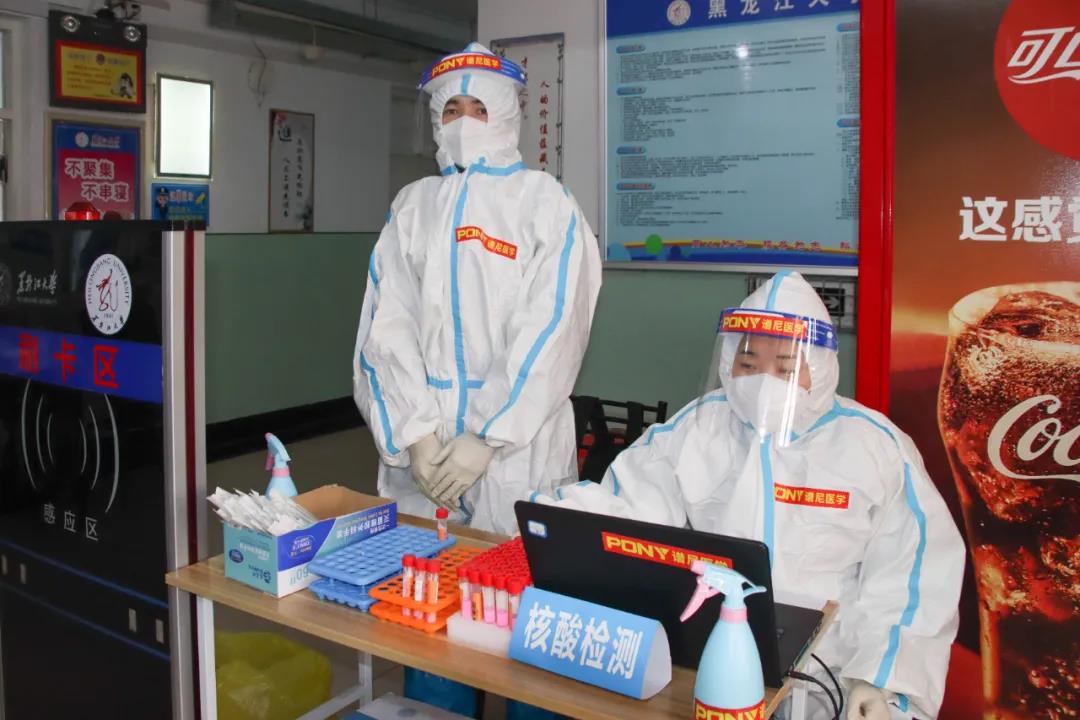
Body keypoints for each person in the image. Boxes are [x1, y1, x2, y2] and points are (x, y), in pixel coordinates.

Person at [534, 271, 964, 720]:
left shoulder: (873, 446)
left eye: (784, 367)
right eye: (749, 363)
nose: (763, 382)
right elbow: (630, 506)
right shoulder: (700, 426)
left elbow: (914, 573)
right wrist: (557, 518)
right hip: (713, 650)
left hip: (830, 673)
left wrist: (880, 677)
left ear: (819, 368)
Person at [352, 42, 601, 537]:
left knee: (509, 571)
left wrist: (488, 436)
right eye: (451, 109)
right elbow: (386, 324)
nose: (463, 122)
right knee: (419, 570)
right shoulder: (413, 206)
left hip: (515, 452)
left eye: (479, 109)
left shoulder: (544, 202)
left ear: (505, 115)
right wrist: (414, 435)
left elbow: (553, 329)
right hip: (426, 453)